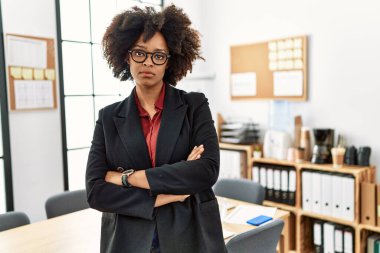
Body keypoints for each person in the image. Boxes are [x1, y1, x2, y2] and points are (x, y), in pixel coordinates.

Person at [86, 4, 226, 253]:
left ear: (169, 62)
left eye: (158, 55)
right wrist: (167, 194)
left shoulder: (194, 105)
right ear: (126, 56)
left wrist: (125, 178)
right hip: (129, 237)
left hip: (189, 233)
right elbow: (96, 191)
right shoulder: (108, 118)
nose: (148, 63)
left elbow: (206, 170)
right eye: (140, 53)